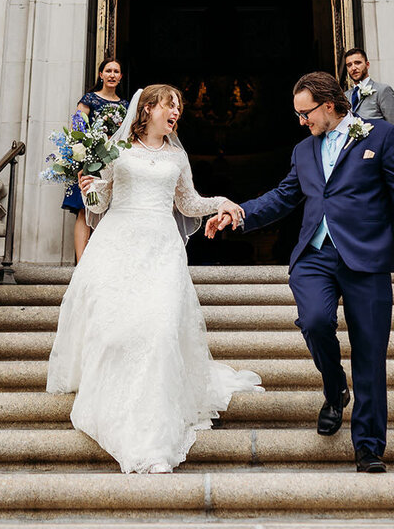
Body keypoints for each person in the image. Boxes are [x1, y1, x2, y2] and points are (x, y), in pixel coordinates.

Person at [205, 70, 394, 474]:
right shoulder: (303, 151)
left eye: (305, 113)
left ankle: (369, 446)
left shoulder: (379, 136)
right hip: (315, 256)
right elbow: (283, 197)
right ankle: (334, 387)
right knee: (313, 320)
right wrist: (239, 214)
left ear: (329, 106)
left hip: (366, 258)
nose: (302, 121)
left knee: (370, 353)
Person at [46, 83, 260, 474]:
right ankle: (113, 405)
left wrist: (222, 202)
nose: (176, 112)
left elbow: (188, 203)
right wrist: (88, 190)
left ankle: (152, 439)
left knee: (160, 332)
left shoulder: (177, 157)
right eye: (170, 105)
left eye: (178, 107)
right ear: (147, 109)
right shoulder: (117, 149)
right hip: (117, 244)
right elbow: (100, 202)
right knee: (115, 333)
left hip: (161, 250)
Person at [65, 59, 128, 262]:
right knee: (85, 210)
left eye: (116, 71)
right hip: (89, 163)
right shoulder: (90, 99)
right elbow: (77, 128)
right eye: (108, 70)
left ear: (120, 77)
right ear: (100, 75)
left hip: (114, 164)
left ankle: (100, 261)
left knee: (109, 211)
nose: (112, 74)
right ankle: (82, 261)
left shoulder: (125, 106)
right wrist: (82, 158)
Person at [344, 47, 394, 138]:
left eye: (358, 63)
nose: (353, 68)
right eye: (349, 65)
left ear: (367, 65)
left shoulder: (382, 90)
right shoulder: (345, 96)